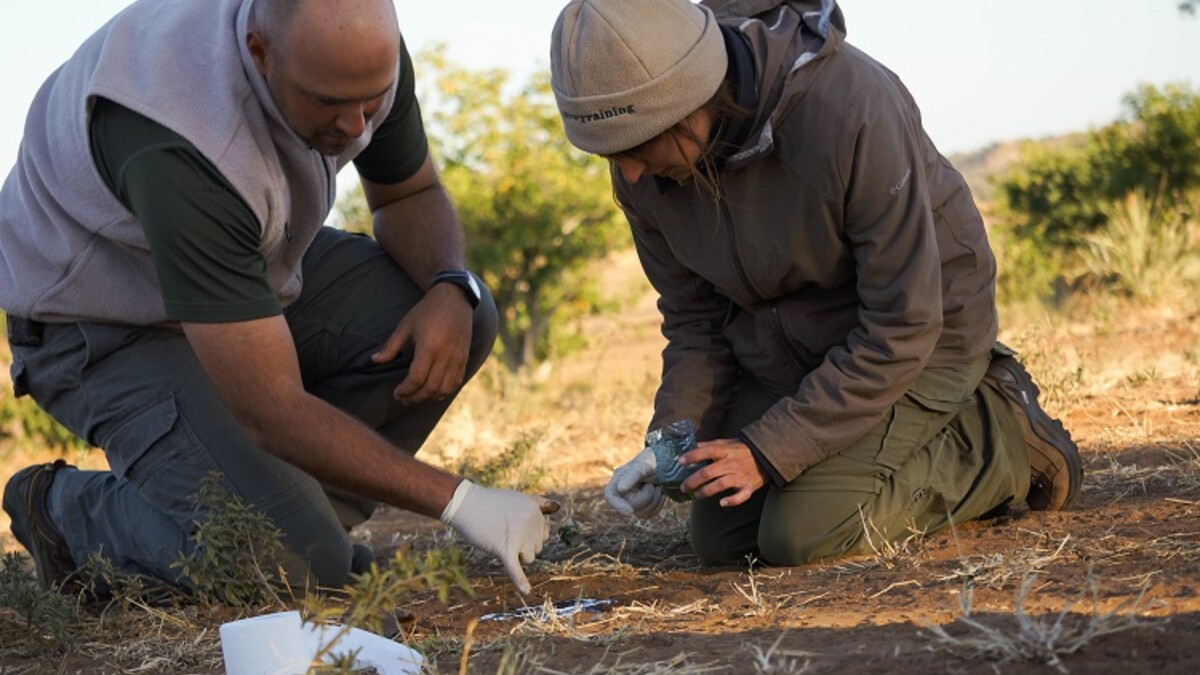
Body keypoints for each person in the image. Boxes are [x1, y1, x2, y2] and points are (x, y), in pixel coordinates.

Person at [1, 0, 554, 597]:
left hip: (248, 270)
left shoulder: (356, 58)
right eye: (330, 104)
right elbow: (269, 408)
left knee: (458, 315)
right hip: (102, 321)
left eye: (372, 100)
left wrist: (451, 282)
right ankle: (68, 513)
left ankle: (305, 530)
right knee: (284, 562)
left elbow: (407, 194)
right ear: (260, 52)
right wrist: (460, 500)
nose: (356, 128)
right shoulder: (179, 135)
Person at [549, 0, 1083, 566]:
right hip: (788, 351)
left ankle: (1001, 438)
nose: (628, 174)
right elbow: (696, 322)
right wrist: (670, 446)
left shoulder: (852, 107)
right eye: (611, 154)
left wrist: (769, 448)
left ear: (692, 104)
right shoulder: (643, 164)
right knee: (721, 541)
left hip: (924, 342)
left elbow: (903, 324)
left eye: (638, 147)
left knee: (801, 536)